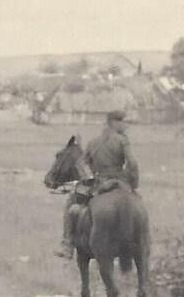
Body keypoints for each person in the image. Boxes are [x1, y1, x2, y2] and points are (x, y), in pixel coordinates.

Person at [56, 109, 140, 259]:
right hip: (118, 182)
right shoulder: (122, 141)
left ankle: (67, 244)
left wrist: (88, 178)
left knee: (71, 203)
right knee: (138, 205)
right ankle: (139, 243)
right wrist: (133, 182)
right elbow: (132, 163)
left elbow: (81, 162)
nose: (126, 126)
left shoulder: (94, 142)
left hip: (97, 184)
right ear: (114, 123)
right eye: (123, 122)